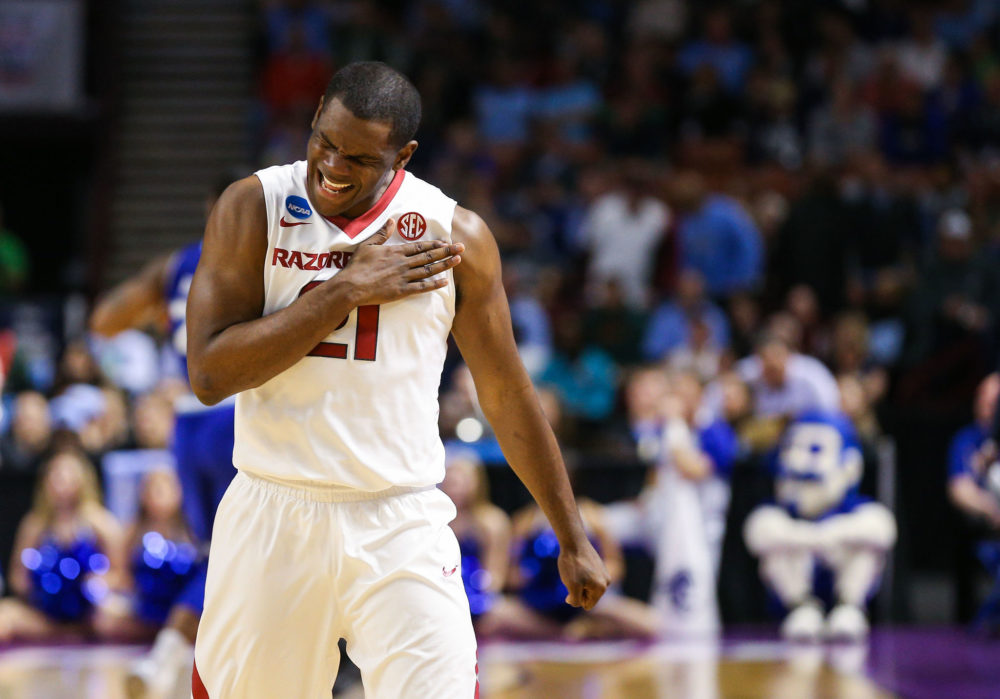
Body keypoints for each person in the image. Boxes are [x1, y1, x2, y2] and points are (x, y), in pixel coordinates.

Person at [185, 62, 608, 698]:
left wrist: (570, 533)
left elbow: (506, 393)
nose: (332, 166)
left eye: (358, 158)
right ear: (315, 115)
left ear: (402, 156)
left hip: (399, 515)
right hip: (273, 506)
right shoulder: (253, 207)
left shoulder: (454, 236)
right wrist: (345, 290)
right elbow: (209, 374)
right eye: (325, 141)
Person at [90, 178, 237, 697]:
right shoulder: (266, 255)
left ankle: (173, 658)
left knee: (215, 551)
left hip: (187, 425)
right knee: (237, 551)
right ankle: (174, 657)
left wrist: (167, 310)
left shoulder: (176, 263)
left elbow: (104, 321)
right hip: (236, 416)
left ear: (208, 205)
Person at [0, 447, 126, 642]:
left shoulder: (101, 523)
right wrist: (43, 586)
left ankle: (73, 634)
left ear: (82, 480)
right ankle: (65, 634)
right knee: (5, 615)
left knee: (111, 616)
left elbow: (122, 576)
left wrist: (94, 583)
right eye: (55, 476)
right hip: (45, 614)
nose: (61, 483)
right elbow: (17, 578)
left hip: (91, 615)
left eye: (67, 475)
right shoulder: (35, 524)